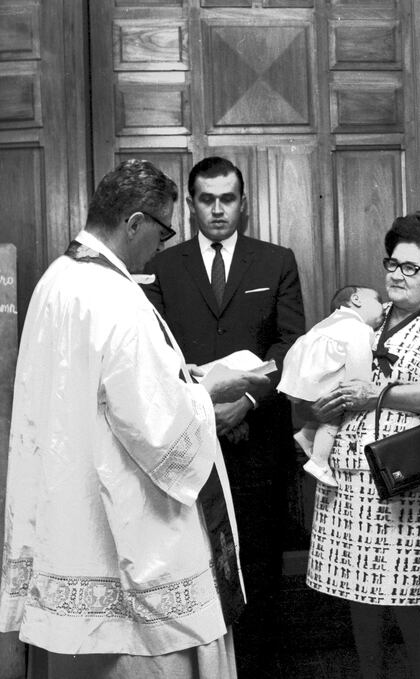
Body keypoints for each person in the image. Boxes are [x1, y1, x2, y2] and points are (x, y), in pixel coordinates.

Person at [0, 159, 267, 678]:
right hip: (124, 536)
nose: (163, 244)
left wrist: (173, 373)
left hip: (70, 512)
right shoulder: (116, 298)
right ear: (135, 222)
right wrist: (209, 388)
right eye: (163, 230)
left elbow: (94, 386)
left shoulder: (59, 279)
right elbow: (157, 429)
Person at [143, 156, 305, 676]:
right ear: (190, 205)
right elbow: (156, 352)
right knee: (193, 560)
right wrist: (205, 407)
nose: (218, 210)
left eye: (227, 199)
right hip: (189, 440)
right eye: (207, 200)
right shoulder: (165, 265)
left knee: (260, 565)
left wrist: (248, 401)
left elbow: (291, 345)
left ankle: (259, 667)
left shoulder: (276, 261)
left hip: (259, 441)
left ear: (243, 203)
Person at [305, 211, 420, 679]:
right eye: (392, 264)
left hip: (410, 480)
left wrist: (380, 393)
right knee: (360, 595)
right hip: (350, 477)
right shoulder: (366, 320)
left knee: (412, 595)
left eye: (410, 268)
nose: (395, 276)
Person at [277, 285, 385, 487]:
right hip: (318, 378)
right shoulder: (358, 328)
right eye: (378, 300)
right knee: (333, 411)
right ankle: (319, 461)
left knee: (325, 402)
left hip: (305, 376)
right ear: (357, 299)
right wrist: (360, 384)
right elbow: (359, 358)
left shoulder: (332, 323)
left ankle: (306, 435)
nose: (383, 308)